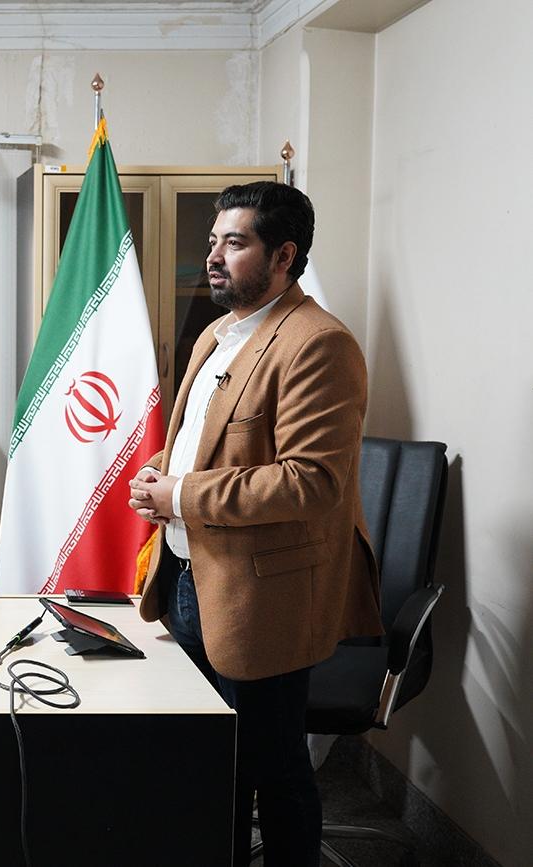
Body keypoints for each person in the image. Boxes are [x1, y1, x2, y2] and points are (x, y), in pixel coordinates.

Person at [127, 182, 381, 866]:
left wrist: (181, 494)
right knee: (212, 764)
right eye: (213, 241)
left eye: (234, 243)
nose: (213, 256)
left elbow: (311, 481)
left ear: (283, 256)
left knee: (272, 767)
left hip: (261, 595)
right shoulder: (218, 334)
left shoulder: (318, 344)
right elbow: (207, 442)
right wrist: (160, 473)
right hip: (187, 577)